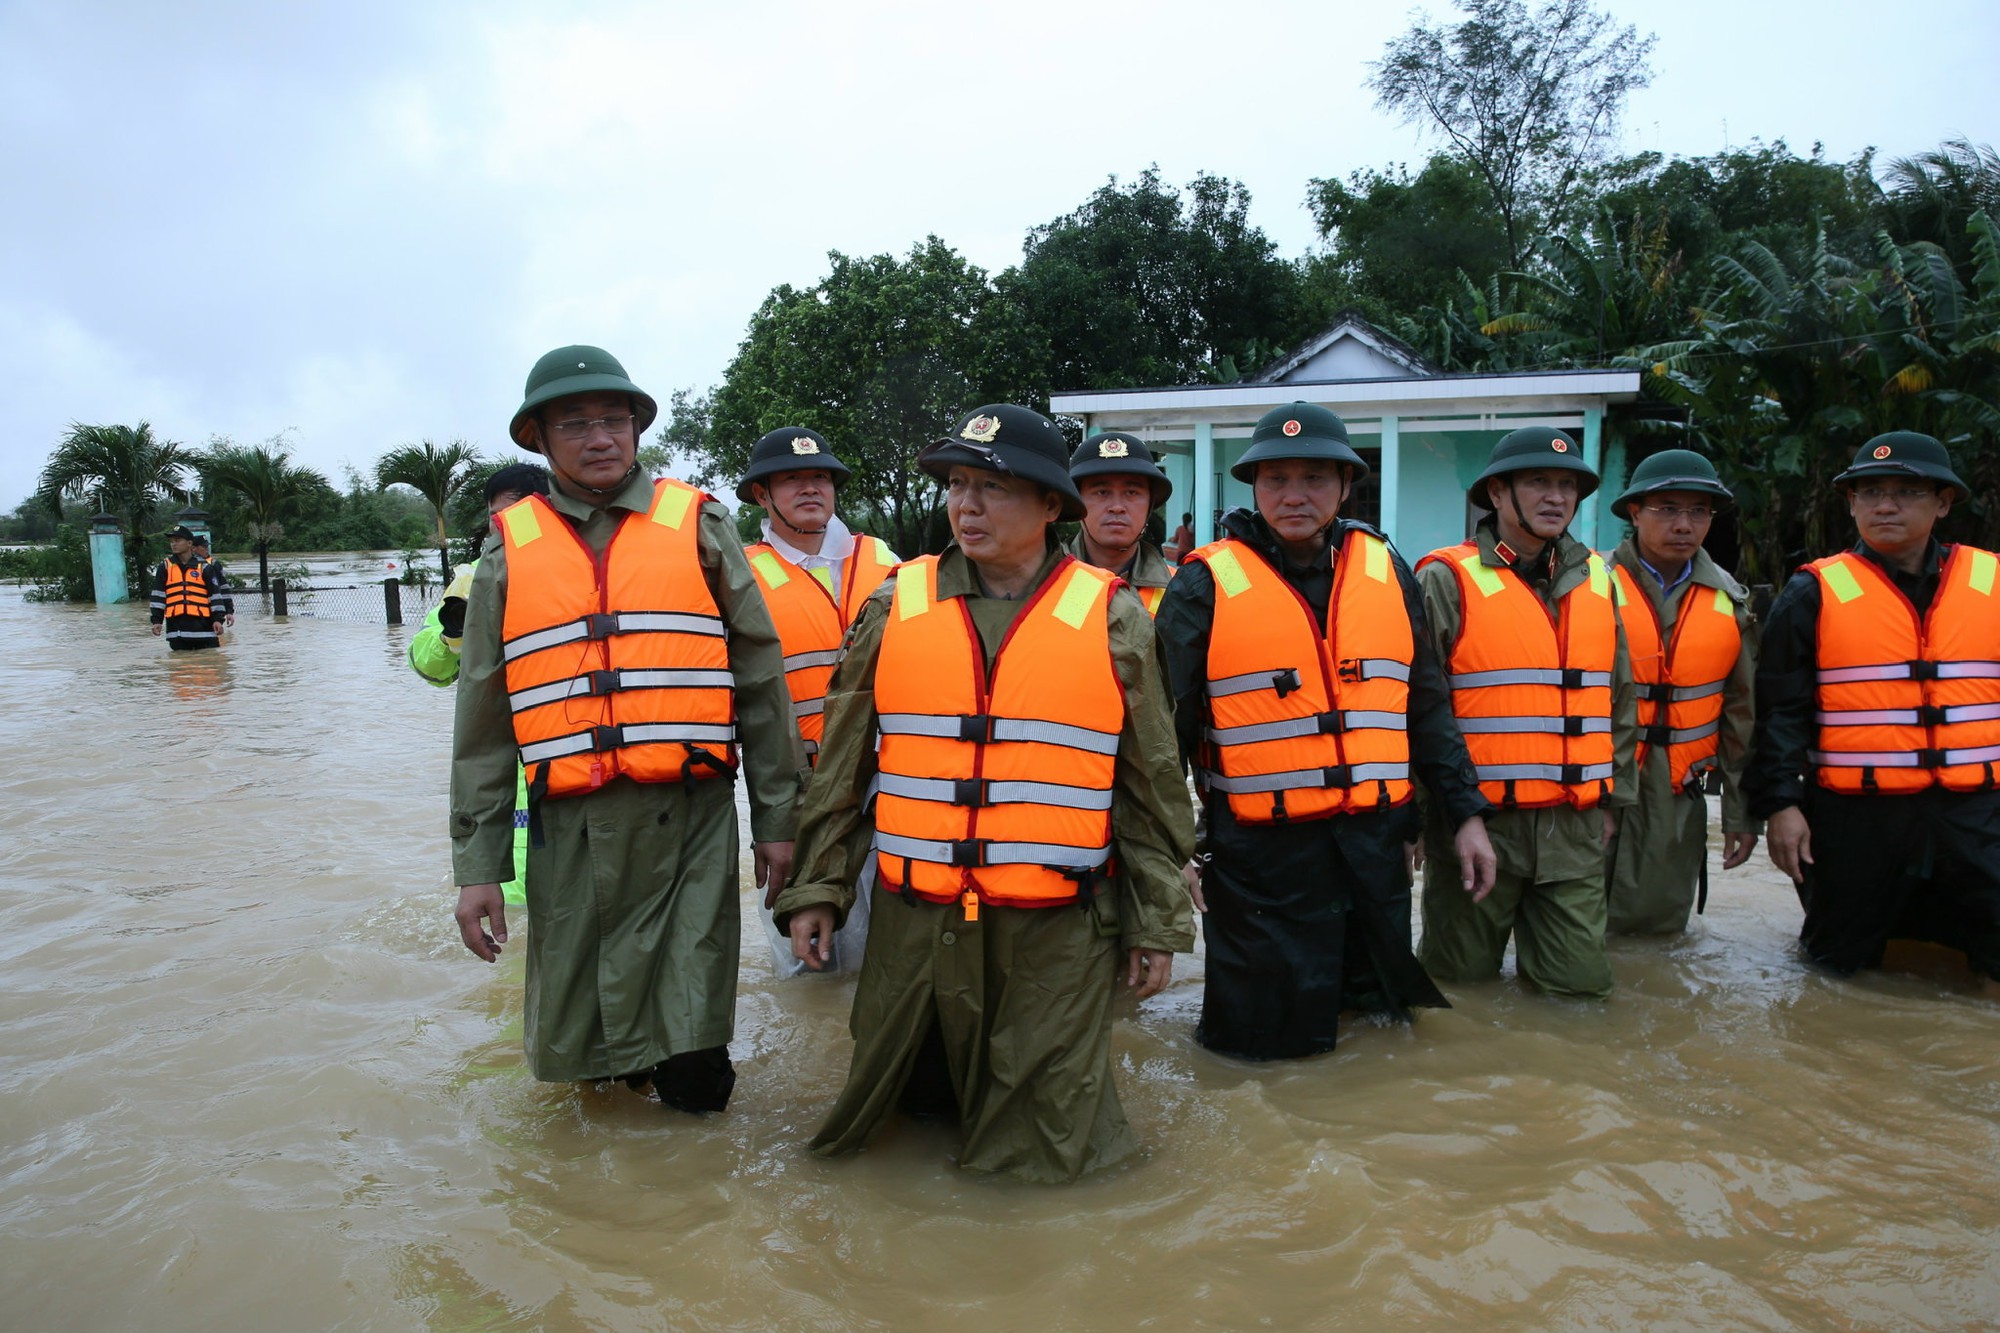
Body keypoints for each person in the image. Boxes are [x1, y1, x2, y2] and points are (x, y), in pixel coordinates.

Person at [773, 403, 1196, 1182]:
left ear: (1049, 506)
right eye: (957, 485)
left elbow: (1151, 788)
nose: (966, 506)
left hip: (1057, 929)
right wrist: (818, 888)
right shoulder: (896, 603)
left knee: (1048, 1152)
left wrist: (1157, 920)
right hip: (914, 923)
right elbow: (841, 770)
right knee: (898, 1124)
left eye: (993, 488)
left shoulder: (1113, 616)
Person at [449, 345, 805, 1113]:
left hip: (692, 822)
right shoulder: (506, 552)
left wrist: (777, 819)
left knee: (694, 1042)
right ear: (538, 440)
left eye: (615, 420)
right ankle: (600, 1211)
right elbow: (482, 724)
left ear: (638, 429)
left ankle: (692, 1196)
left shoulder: (701, 525)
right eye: (575, 424)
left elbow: (762, 683)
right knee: (587, 1054)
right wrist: (476, 865)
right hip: (568, 833)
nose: (600, 437)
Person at [1157, 402, 1495, 1060]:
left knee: (1378, 1031)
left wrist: (1464, 814)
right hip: (1260, 863)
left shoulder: (1385, 569)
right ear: (1253, 486)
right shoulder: (1204, 584)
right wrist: (1171, 850)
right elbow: (1160, 738)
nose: (1295, 495)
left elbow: (1425, 706)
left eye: (1315, 477)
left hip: (1374, 851)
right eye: (1276, 478)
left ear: (1345, 486)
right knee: (1257, 1050)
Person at [1745, 432, 2000, 988]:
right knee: (1836, 970)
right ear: (1851, 503)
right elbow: (1780, 713)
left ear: (1944, 502)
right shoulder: (1812, 592)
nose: (1885, 505)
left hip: (1978, 815)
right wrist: (1781, 806)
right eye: (1871, 492)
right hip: (1855, 819)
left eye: (1906, 492)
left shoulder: (1993, 583)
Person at [1414, 427, 1637, 999]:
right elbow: (1419, 711)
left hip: (1575, 828)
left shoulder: (1599, 581)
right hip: (1478, 826)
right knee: (1456, 992)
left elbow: (1619, 701)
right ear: (1495, 493)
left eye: (1567, 485)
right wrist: (1425, 820)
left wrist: (1612, 801)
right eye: (1538, 481)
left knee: (1580, 995)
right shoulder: (1446, 578)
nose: (1556, 497)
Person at [737, 426, 899, 976]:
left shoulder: (882, 558)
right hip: (799, 792)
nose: (812, 488)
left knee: (893, 957)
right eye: (793, 479)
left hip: (891, 782)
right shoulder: (742, 574)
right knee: (811, 965)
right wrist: (771, 818)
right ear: (762, 494)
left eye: (821, 477)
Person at [1603, 450, 1760, 935]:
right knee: (1571, 932)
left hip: (1679, 793)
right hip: (1595, 789)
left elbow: (1742, 716)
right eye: (1667, 509)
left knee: (1660, 934)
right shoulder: (1588, 583)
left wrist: (1739, 813)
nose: (1684, 524)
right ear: (1634, 512)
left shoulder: (1731, 599)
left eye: (1698, 511)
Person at [409, 462, 551, 908]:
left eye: (512, 510)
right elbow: (430, 667)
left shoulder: (577, 570)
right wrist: (455, 630)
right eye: (495, 512)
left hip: (571, 750)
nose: (501, 522)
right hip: (502, 759)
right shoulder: (471, 576)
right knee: (515, 908)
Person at [1064, 431, 1176, 615]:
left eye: (1131, 492)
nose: (1117, 507)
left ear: (1150, 505)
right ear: (1077, 501)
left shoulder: (1180, 589)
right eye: (1102, 492)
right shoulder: (1039, 581)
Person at [149, 525, 226, 651]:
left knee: (210, 667)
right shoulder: (165, 567)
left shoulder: (205, 568)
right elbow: (158, 596)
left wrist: (218, 620)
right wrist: (157, 621)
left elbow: (215, 596)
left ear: (190, 543)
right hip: (177, 633)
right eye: (172, 541)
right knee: (180, 668)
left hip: (204, 632)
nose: (174, 544)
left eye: (178, 540)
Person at [190, 534, 235, 632]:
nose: (207, 549)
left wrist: (229, 611)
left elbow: (224, 588)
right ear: (194, 548)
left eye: (207, 547)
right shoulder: (187, 564)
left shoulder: (214, 564)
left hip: (213, 609)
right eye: (204, 547)